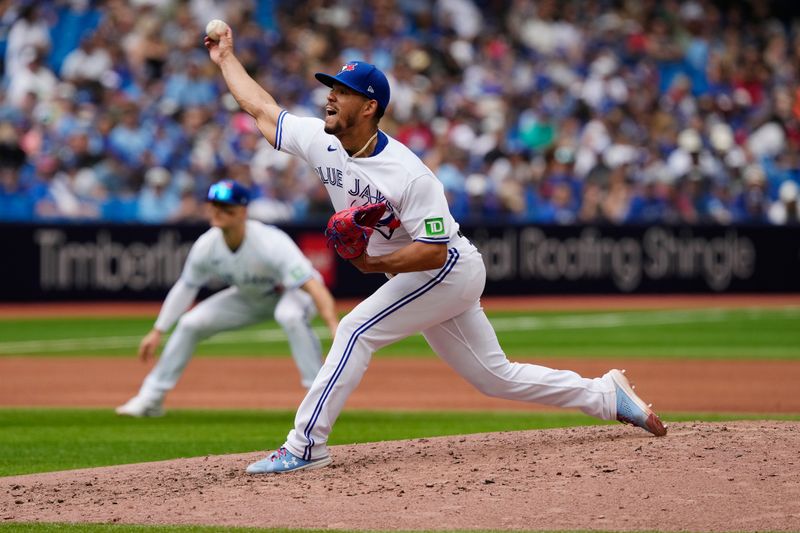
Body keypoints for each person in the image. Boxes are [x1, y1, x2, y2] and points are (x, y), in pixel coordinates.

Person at [205, 28, 667, 474]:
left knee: (354, 330)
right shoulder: (322, 141)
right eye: (331, 87)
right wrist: (226, 57)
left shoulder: (409, 173)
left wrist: (370, 264)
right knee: (494, 376)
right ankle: (606, 395)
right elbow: (261, 108)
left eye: (342, 91)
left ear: (368, 107)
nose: (330, 95)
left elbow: (431, 251)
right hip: (425, 275)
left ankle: (304, 446)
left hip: (447, 269)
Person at [116, 179, 339, 417]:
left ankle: (318, 398)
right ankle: (151, 399)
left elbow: (314, 287)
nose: (218, 212)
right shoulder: (207, 244)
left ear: (242, 211)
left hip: (293, 293)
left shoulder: (270, 242)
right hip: (251, 297)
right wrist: (158, 330)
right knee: (191, 323)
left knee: (289, 316)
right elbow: (186, 287)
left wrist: (334, 326)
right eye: (214, 206)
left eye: (226, 207)